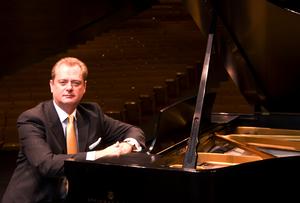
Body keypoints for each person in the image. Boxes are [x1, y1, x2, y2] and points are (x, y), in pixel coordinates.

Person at [1, 57, 146, 203]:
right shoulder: (32, 119)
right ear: (51, 85)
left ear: (84, 87)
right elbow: (47, 165)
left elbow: (133, 131)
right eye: (62, 82)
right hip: (35, 199)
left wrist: (128, 145)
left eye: (76, 83)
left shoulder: (93, 113)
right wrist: (100, 155)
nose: (69, 87)